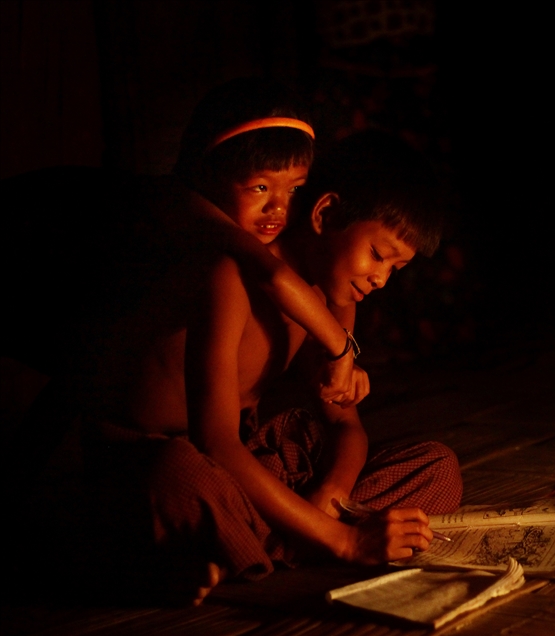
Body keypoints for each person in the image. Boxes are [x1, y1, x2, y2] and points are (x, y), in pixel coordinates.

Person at [83, 130, 462, 605]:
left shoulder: (337, 300)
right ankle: (294, 542)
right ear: (325, 214)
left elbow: (347, 427)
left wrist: (331, 493)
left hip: (245, 466)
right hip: (154, 454)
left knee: (436, 468)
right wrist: (343, 537)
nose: (380, 279)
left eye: (395, 270)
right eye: (378, 255)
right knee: (178, 474)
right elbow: (214, 443)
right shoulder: (231, 276)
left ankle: (238, 548)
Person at [1, 78, 364, 509]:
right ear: (211, 173)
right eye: (260, 188)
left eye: (294, 189)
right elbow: (274, 275)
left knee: (87, 371)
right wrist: (342, 350)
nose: (278, 209)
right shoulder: (180, 203)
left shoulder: (239, 240)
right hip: (30, 255)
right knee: (83, 373)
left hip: (97, 308)